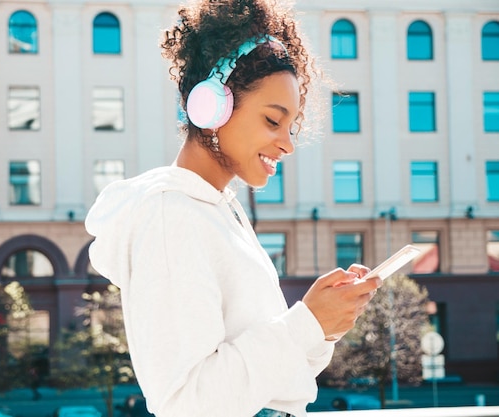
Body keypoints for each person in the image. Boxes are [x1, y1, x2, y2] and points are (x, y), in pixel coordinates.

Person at [85, 1, 381, 416]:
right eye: (272, 121)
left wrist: (323, 325)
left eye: (291, 126)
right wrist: (306, 324)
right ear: (213, 105)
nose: (287, 143)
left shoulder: (219, 212)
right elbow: (187, 402)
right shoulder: (174, 216)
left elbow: (279, 376)